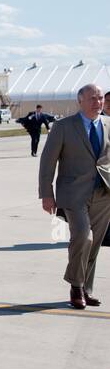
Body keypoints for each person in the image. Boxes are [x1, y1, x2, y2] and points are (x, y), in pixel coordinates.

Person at [37, 83, 110, 309]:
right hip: (73, 194)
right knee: (82, 238)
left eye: (100, 98)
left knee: (94, 244)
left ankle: (85, 289)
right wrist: (46, 194)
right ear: (80, 101)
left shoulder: (108, 124)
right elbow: (48, 161)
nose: (98, 102)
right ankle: (76, 286)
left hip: (103, 193)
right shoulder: (63, 126)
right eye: (92, 98)